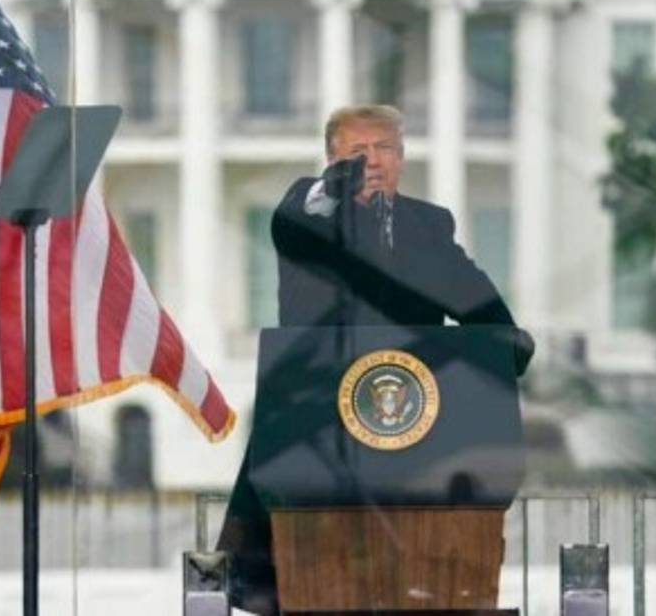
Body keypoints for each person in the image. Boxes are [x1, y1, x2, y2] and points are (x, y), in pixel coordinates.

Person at [216, 104, 535, 615]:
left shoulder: (428, 224)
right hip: (318, 410)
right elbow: (302, 215)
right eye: (357, 151)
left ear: (402, 158)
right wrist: (334, 187)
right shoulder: (307, 209)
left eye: (384, 147)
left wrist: (504, 337)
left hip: (417, 414)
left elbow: (467, 290)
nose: (372, 160)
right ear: (331, 159)